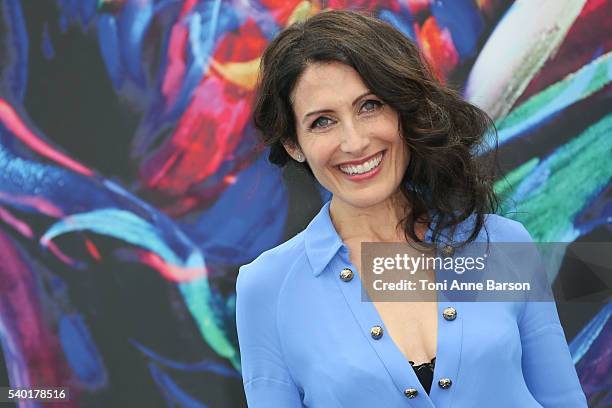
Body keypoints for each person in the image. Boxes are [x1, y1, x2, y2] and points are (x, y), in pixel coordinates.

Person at [235, 9, 587, 407]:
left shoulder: (503, 246)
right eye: (322, 122)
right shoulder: (267, 288)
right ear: (293, 144)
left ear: (403, 110)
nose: (355, 142)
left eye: (369, 106)